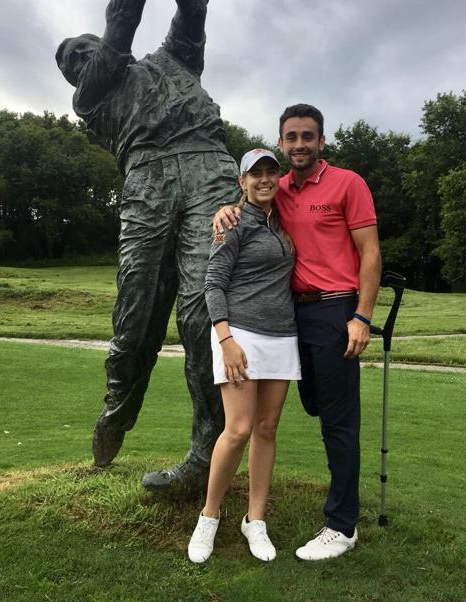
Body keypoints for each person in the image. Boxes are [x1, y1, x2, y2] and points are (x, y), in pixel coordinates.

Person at [56, 0, 240, 493]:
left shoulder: (173, 60)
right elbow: (119, 27)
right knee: (135, 316)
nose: (79, 55)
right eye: (70, 60)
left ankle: (205, 453)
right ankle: (116, 411)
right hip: (147, 180)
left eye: (80, 48)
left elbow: (192, 15)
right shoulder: (92, 97)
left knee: (205, 311)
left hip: (209, 171)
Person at [213, 104, 381, 561]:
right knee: (308, 407)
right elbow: (251, 200)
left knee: (338, 420)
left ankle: (342, 526)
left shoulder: (348, 183)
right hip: (292, 318)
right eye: (291, 137)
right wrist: (227, 210)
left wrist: (362, 317)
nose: (300, 144)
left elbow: (370, 253)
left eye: (308, 136)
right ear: (282, 142)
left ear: (321, 142)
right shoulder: (279, 187)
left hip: (336, 311)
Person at [187, 149, 301, 563]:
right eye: (256, 174)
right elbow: (212, 284)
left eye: (272, 172)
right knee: (237, 429)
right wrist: (226, 339)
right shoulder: (231, 224)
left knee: (267, 428)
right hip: (240, 337)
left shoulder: (284, 219)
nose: (265, 180)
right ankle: (209, 517)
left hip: (282, 336)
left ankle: (255, 521)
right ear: (242, 182)